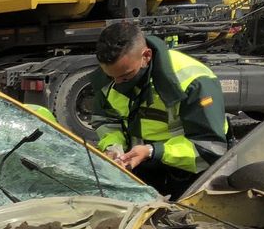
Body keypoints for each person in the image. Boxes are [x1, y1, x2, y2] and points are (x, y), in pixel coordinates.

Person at [92, 21, 229, 198]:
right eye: (112, 76)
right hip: (139, 165)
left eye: (126, 76)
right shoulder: (113, 73)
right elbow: (107, 122)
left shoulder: (194, 82)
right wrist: (114, 147)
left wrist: (153, 151)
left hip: (187, 173)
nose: (117, 83)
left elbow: (210, 148)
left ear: (146, 56)